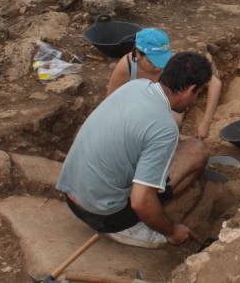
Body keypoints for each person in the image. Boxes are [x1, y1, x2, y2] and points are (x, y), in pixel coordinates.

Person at [57, 52, 213, 248]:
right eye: (198, 94)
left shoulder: (134, 86)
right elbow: (140, 201)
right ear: (190, 89)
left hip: (72, 197)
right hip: (104, 215)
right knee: (197, 151)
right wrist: (172, 231)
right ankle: (131, 227)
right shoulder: (164, 128)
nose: (195, 100)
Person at [106, 28, 223, 140]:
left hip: (162, 108)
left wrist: (206, 122)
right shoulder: (127, 68)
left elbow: (214, 83)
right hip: (136, 112)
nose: (158, 67)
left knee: (174, 120)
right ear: (138, 53)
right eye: (152, 62)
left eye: (161, 60)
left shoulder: (170, 62)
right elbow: (110, 104)